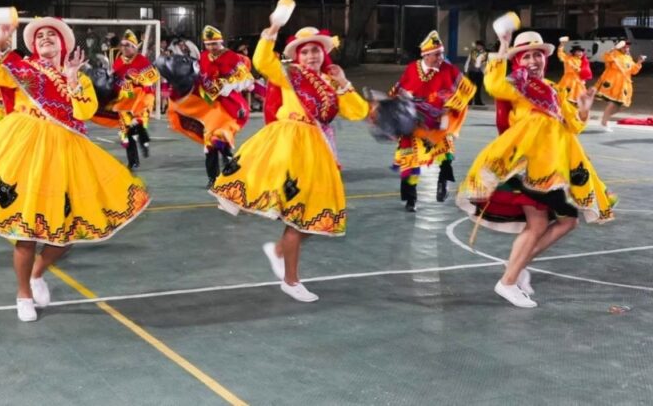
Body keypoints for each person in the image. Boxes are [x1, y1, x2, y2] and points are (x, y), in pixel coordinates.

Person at [0, 17, 150, 322]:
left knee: (65, 235)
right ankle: (23, 294)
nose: (44, 38)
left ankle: (37, 274)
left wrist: (72, 77)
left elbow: (84, 111)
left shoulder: (78, 77)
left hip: (65, 155)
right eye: (39, 35)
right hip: (25, 151)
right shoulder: (23, 68)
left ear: (63, 44)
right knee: (26, 233)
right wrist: (0, 38)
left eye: (51, 35)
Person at [456, 31, 615, 308]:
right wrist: (503, 45)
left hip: (554, 165)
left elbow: (572, 125)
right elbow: (493, 84)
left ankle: (515, 269)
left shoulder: (553, 88)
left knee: (566, 221)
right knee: (542, 223)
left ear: (544, 59)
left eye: (537, 55)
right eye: (526, 56)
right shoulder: (516, 84)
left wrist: (584, 110)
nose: (532, 61)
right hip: (529, 163)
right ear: (518, 62)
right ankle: (508, 280)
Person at [211, 23, 368, 302]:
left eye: (315, 51)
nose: (311, 56)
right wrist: (272, 29)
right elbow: (261, 61)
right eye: (305, 52)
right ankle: (291, 281)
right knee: (297, 217)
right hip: (289, 145)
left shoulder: (330, 82)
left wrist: (344, 82)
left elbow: (358, 111)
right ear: (297, 55)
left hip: (317, 150)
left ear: (323, 53)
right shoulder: (288, 74)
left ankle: (279, 251)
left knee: (319, 213)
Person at [390, 30, 476, 210]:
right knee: (410, 160)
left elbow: (467, 90)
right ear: (426, 55)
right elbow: (399, 88)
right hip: (414, 123)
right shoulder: (412, 68)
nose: (441, 58)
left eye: (442, 54)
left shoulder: (448, 69)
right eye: (437, 54)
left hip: (438, 122)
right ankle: (411, 199)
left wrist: (450, 104)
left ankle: (443, 182)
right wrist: (400, 101)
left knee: (446, 156)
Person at [166, 26, 254, 187]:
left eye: (214, 43)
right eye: (208, 44)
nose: (211, 47)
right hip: (209, 106)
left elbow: (247, 80)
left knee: (219, 136)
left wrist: (228, 85)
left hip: (228, 106)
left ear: (221, 42)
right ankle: (214, 177)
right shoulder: (204, 56)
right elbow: (200, 77)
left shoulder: (231, 57)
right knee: (210, 143)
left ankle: (229, 164)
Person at [93, 30, 160, 169]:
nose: (124, 48)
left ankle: (144, 142)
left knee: (138, 124)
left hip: (141, 99)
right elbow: (113, 78)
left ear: (135, 47)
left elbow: (153, 79)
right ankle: (133, 161)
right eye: (122, 45)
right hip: (124, 101)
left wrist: (135, 78)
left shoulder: (142, 61)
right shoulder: (119, 61)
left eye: (128, 45)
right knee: (126, 131)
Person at [595, 40, 645, 130]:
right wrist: (613, 49)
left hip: (624, 85)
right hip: (613, 83)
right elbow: (605, 57)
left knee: (622, 106)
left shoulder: (628, 57)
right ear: (620, 48)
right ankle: (604, 123)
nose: (626, 49)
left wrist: (639, 62)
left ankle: (604, 118)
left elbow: (633, 71)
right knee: (613, 103)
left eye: (627, 47)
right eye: (624, 47)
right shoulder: (614, 54)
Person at [555, 38, 592, 104]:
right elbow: (560, 53)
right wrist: (562, 44)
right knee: (565, 95)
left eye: (581, 52)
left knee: (578, 96)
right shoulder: (568, 58)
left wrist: (583, 78)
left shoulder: (583, 61)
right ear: (574, 52)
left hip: (578, 80)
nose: (580, 53)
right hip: (568, 79)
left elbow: (585, 70)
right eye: (578, 51)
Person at [464, 40, 487, 106]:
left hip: (480, 72)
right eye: (477, 45)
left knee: (478, 88)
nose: (478, 47)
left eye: (479, 45)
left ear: (482, 46)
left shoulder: (485, 53)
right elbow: (468, 61)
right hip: (472, 72)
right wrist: (465, 70)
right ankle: (469, 101)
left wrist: (485, 72)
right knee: (471, 87)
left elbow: (485, 64)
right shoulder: (472, 52)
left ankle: (478, 101)